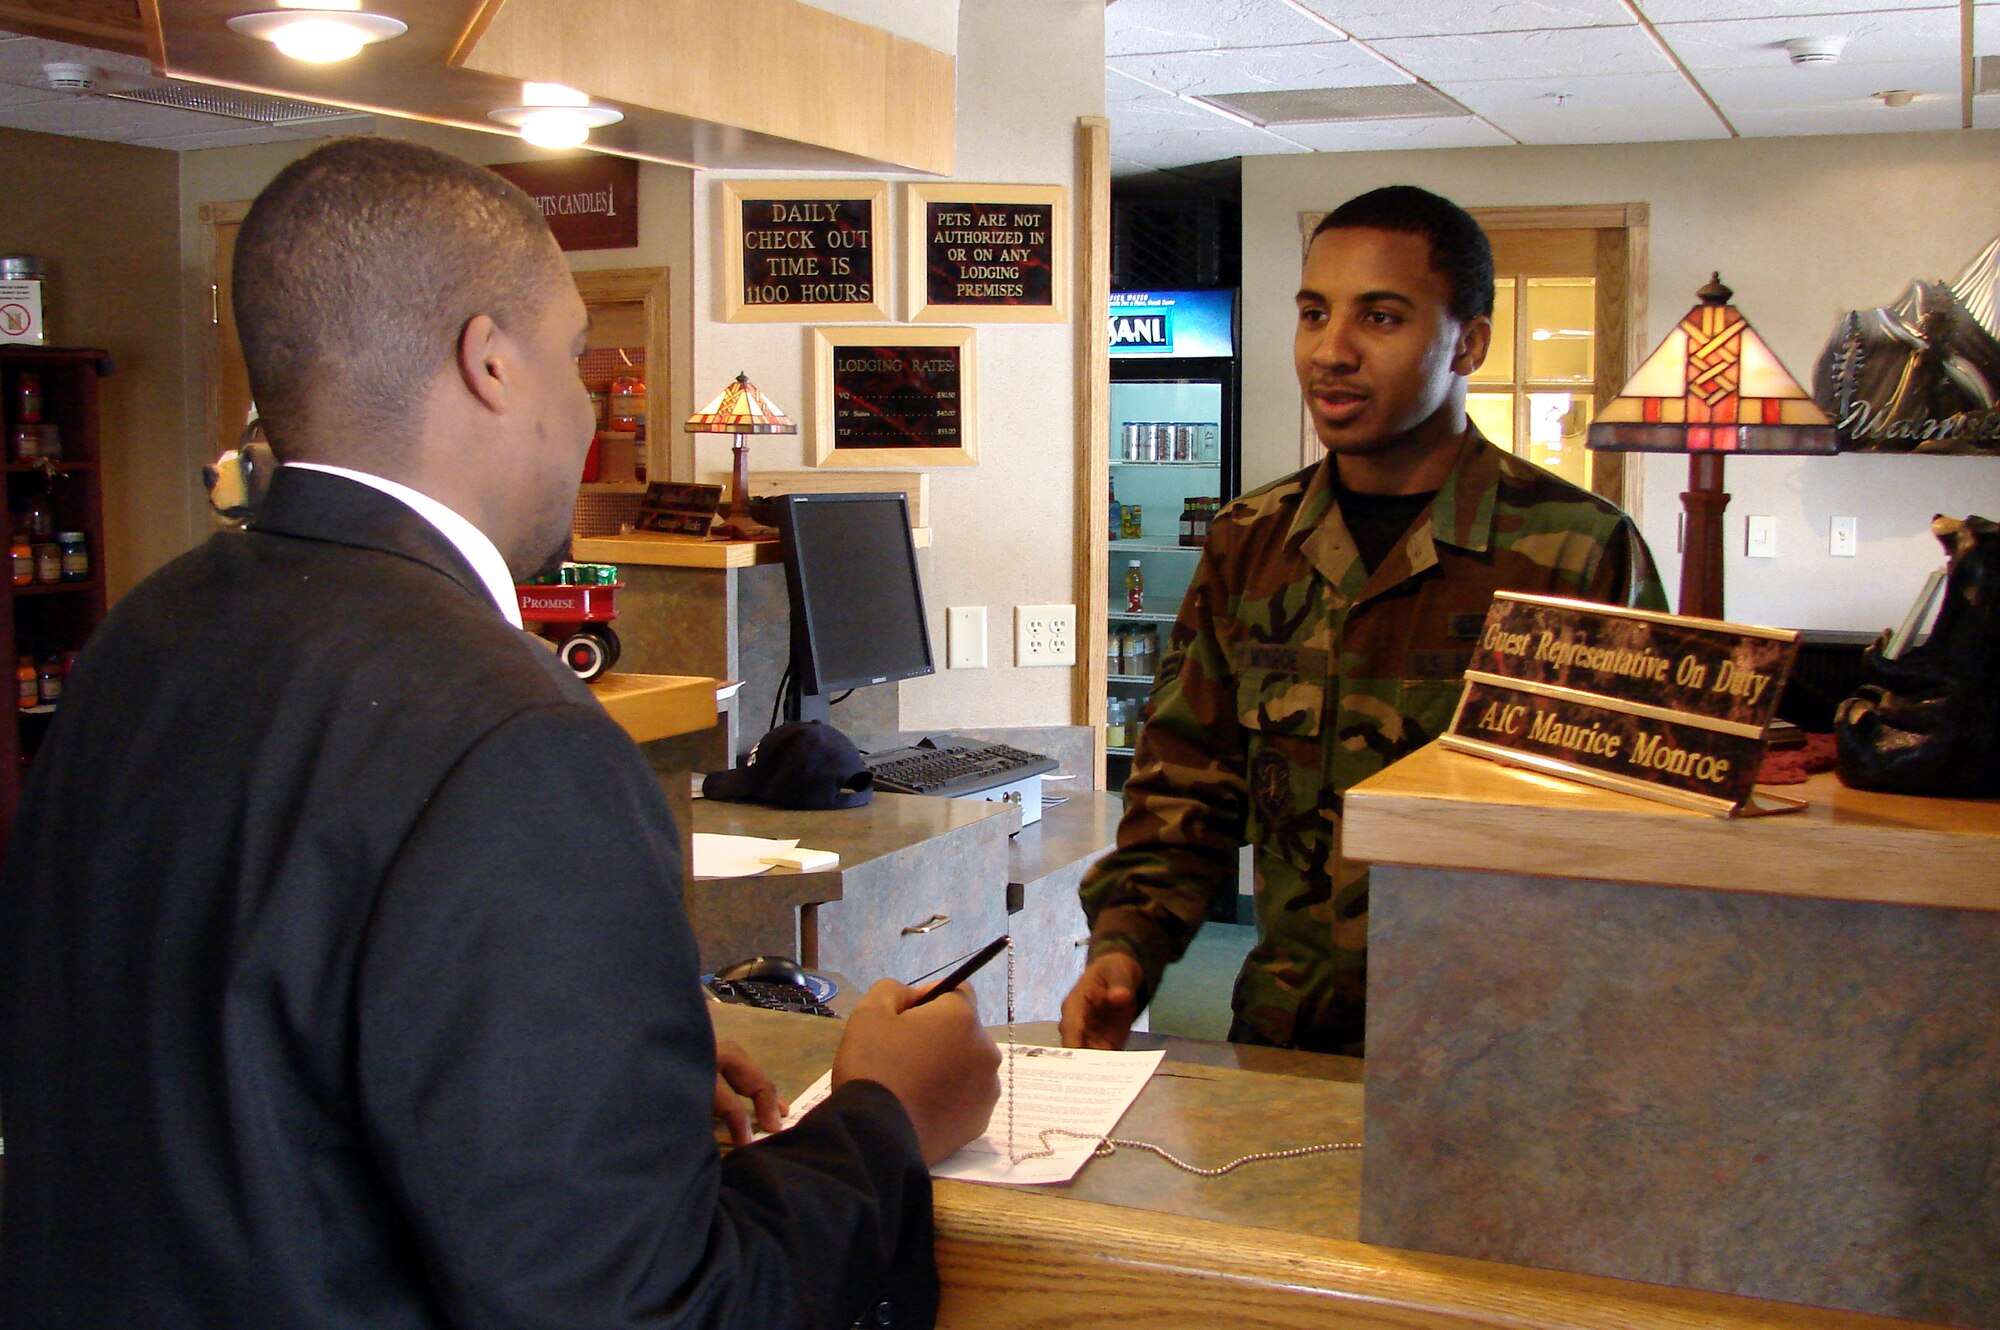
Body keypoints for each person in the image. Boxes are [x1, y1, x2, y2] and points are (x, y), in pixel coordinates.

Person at [0, 137, 999, 1329]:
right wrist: (880, 1117)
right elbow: (643, 1308)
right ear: (489, 361)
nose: (587, 403)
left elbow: (253, 1068)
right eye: (576, 356)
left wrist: (612, 1075)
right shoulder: (520, 736)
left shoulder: (141, 635)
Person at [1062, 185, 1666, 1057]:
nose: (1330, 351)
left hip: (1505, 1054)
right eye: (1314, 313)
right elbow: (1186, 787)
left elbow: (1633, 848)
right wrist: (1127, 950)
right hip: (1288, 1038)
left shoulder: (1576, 554)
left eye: (1380, 318)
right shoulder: (1252, 543)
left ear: (1469, 343)